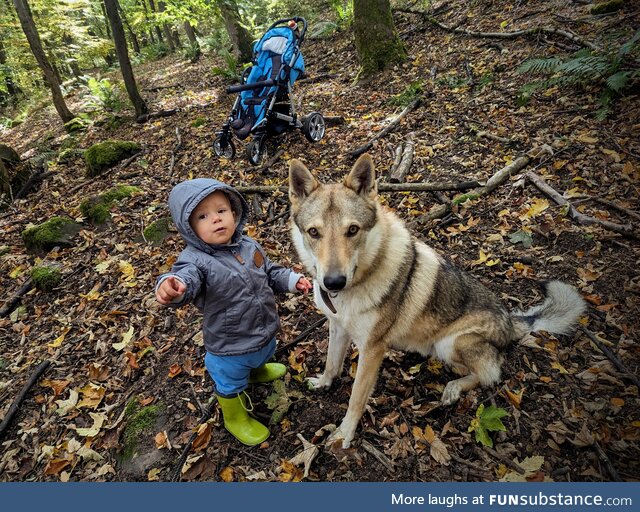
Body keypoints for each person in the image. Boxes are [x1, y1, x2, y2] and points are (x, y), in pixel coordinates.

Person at [155, 178, 312, 446]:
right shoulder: (196, 261)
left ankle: (257, 370)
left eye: (221, 210)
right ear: (189, 228)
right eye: (203, 216)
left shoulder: (248, 245)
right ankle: (235, 417)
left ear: (234, 212)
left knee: (263, 351)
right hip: (230, 345)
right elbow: (185, 278)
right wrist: (173, 287)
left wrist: (292, 281)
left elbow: (270, 272)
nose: (216, 219)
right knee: (230, 381)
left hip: (262, 330)